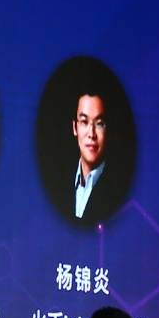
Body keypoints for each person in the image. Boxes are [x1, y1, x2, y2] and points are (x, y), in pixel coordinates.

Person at [58, 86, 127, 222]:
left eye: (99, 124)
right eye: (84, 122)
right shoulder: (59, 181)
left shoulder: (119, 190)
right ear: (75, 127)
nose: (92, 134)